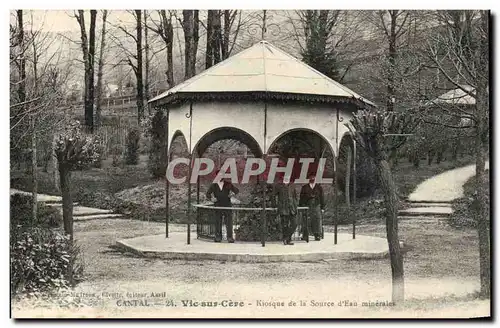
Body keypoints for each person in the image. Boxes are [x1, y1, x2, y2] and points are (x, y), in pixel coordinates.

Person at [205, 171, 239, 243]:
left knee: (228, 222)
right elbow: (208, 194)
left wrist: (232, 194)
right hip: (217, 205)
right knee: (218, 221)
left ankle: (229, 237)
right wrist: (212, 199)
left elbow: (236, 190)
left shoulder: (228, 184)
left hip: (227, 205)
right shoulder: (213, 185)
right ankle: (218, 237)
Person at [272, 175, 298, 245]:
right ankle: (287, 240)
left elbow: (295, 197)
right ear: (283, 178)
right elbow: (273, 195)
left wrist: (295, 206)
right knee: (284, 225)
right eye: (285, 177)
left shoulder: (292, 186)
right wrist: (274, 205)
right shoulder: (279, 186)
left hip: (292, 208)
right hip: (283, 208)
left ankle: (287, 237)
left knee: (295, 224)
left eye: (288, 177)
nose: (287, 178)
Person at [299, 172, 325, 241]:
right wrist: (301, 207)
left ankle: (317, 235)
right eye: (311, 177)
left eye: (313, 177)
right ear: (309, 178)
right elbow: (301, 198)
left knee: (317, 220)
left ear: (315, 178)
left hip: (316, 205)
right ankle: (305, 235)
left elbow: (322, 197)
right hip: (307, 206)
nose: (312, 178)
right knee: (306, 221)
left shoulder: (319, 187)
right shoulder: (304, 187)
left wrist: (322, 207)